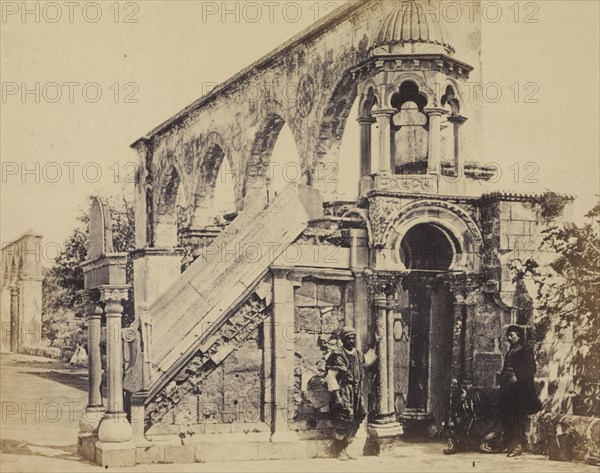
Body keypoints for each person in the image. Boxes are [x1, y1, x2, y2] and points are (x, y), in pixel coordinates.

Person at [325, 326, 375, 460]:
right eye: (348, 338)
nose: (351, 340)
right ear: (342, 340)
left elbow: (367, 360)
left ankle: (347, 447)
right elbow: (331, 376)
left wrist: (377, 344)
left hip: (356, 392)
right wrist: (337, 396)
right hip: (344, 391)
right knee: (344, 419)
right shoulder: (337, 354)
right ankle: (339, 449)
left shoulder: (357, 353)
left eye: (353, 337)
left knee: (358, 417)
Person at [498, 325, 542, 457]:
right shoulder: (511, 350)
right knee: (508, 417)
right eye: (508, 336)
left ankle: (518, 447)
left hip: (519, 391)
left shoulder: (525, 350)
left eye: (512, 335)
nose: (510, 338)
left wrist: (517, 378)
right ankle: (509, 444)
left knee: (517, 418)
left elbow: (531, 369)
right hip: (507, 389)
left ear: (519, 335)